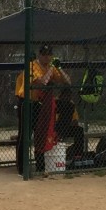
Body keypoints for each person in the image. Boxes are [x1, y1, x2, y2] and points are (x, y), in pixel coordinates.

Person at [14, 45, 70, 174]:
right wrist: (51, 68)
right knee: (24, 135)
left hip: (40, 105)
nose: (47, 57)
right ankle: (22, 169)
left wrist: (59, 68)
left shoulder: (51, 67)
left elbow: (68, 82)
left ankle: (40, 167)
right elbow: (42, 82)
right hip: (26, 103)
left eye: (49, 54)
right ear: (39, 55)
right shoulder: (32, 66)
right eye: (44, 54)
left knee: (41, 134)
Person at [55, 87, 86, 160]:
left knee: (79, 130)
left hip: (65, 127)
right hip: (54, 128)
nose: (68, 98)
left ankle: (78, 155)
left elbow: (75, 121)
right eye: (66, 96)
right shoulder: (55, 102)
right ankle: (59, 135)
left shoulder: (70, 104)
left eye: (69, 96)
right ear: (61, 95)